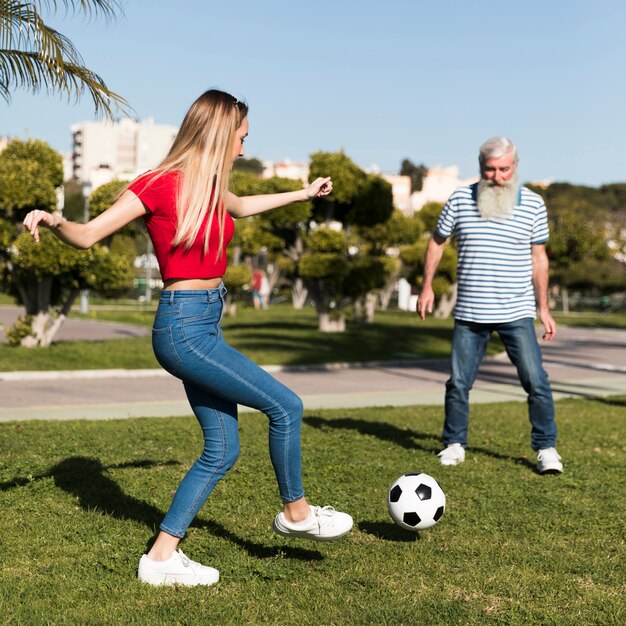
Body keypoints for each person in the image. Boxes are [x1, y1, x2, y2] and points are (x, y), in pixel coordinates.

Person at [23, 89, 353, 587]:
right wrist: (56, 221)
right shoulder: (155, 184)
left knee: (222, 450)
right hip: (183, 326)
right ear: (220, 133)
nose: (243, 148)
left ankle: (160, 559)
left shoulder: (210, 185)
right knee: (286, 406)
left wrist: (303, 195)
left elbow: (241, 206)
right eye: (241, 137)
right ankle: (298, 513)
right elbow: (90, 235)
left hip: (204, 322)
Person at [417, 136, 563, 475]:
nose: (497, 176)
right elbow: (436, 243)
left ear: (515, 167)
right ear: (480, 167)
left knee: (535, 381)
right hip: (470, 312)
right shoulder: (459, 199)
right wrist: (426, 287)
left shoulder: (533, 204)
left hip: (517, 311)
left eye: (504, 169)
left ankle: (546, 448)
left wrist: (543, 308)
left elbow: (539, 259)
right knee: (458, 383)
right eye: (490, 169)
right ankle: (454, 443)